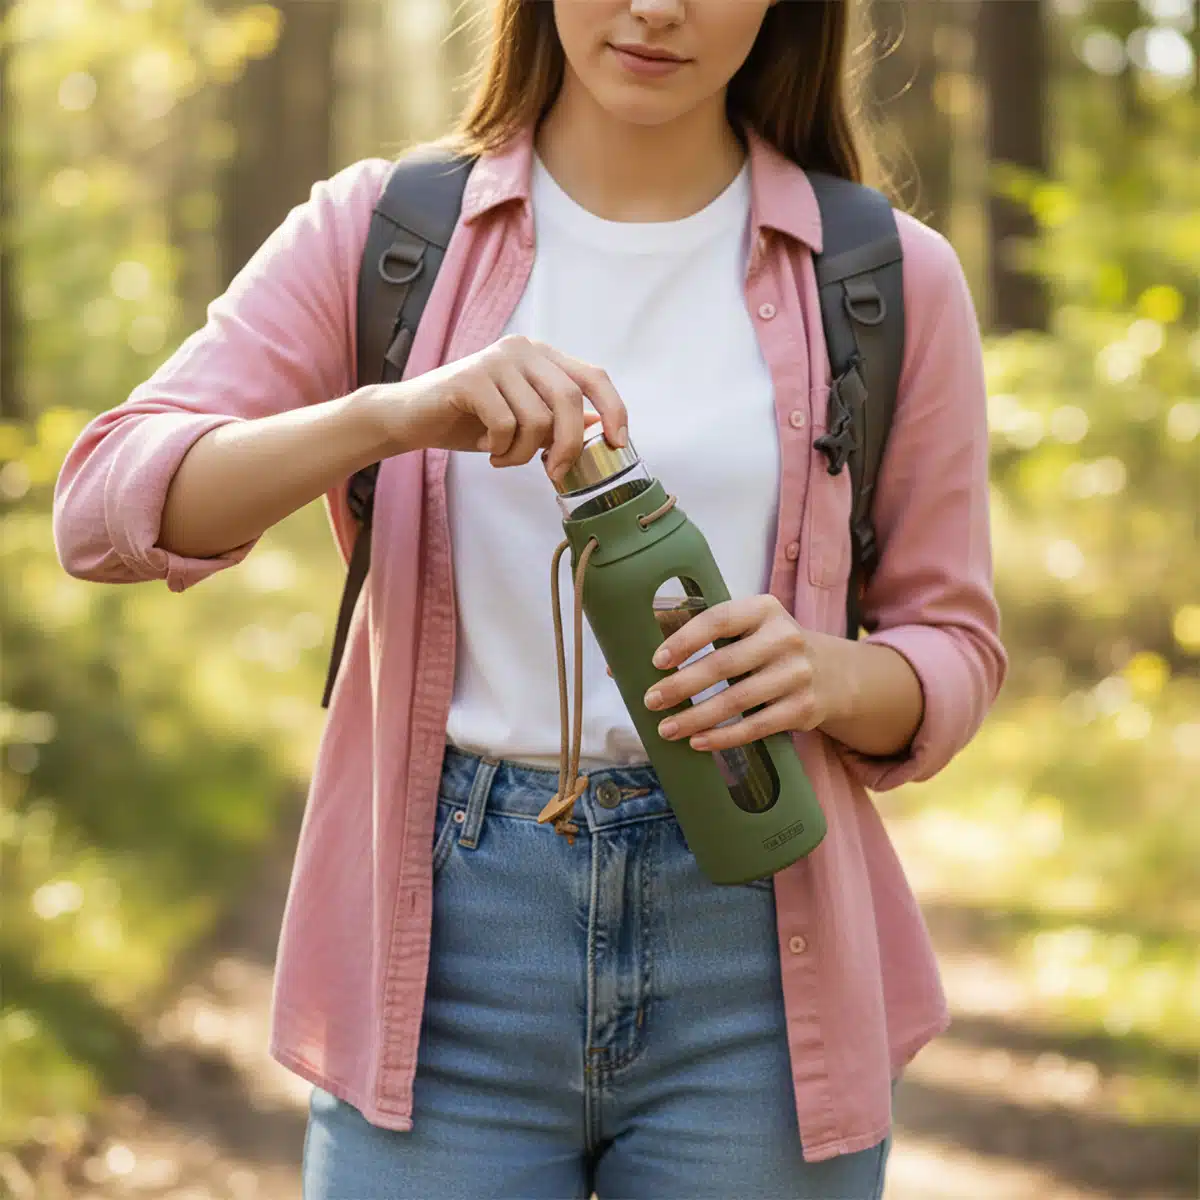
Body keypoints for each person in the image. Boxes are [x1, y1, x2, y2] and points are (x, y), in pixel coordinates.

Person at [53, 1, 1007, 1196]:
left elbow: (956, 646)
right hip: (447, 958)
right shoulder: (384, 231)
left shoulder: (885, 276)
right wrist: (394, 413)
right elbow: (101, 510)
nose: (655, 7)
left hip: (760, 961)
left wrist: (829, 672)